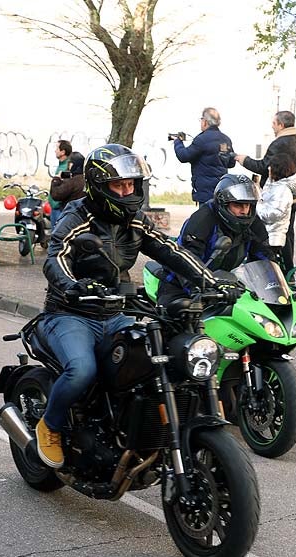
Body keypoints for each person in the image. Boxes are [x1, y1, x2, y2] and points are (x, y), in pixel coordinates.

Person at [33, 143, 240, 468]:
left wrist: (212, 282)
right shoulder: (77, 218)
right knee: (82, 370)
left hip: (115, 313)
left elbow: (170, 250)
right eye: (120, 185)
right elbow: (55, 257)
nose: (128, 192)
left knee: (152, 363)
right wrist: (72, 287)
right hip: (70, 313)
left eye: (132, 185)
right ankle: (51, 425)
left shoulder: (134, 221)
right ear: (101, 186)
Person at [156, 173, 273, 307]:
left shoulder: (253, 223)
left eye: (248, 205)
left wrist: (274, 287)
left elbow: (265, 258)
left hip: (225, 287)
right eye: (238, 205)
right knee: (181, 317)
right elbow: (185, 261)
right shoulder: (202, 221)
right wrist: (201, 288)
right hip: (181, 284)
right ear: (223, 203)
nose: (244, 211)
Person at [235, 110, 296, 271]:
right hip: (292, 197)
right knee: (287, 233)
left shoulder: (279, 144)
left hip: (276, 198)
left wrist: (244, 160)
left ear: (281, 125)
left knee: (266, 234)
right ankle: (288, 271)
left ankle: (269, 272)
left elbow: (263, 167)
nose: (272, 127)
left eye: (274, 124)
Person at [173, 107, 236, 206]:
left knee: (205, 218)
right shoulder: (226, 139)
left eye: (201, 119)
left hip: (205, 191)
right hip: (222, 189)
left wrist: (178, 142)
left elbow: (183, 156)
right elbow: (232, 163)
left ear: (205, 121)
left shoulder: (201, 139)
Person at [257, 153, 296, 268]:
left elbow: (275, 213)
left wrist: (255, 209)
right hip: (267, 232)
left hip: (272, 235)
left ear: (277, 168)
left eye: (271, 166)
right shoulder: (274, 185)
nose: (268, 169)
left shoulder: (282, 190)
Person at [49, 152, 85, 218]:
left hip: (68, 214)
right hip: (81, 214)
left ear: (73, 164)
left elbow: (56, 194)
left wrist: (56, 179)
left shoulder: (73, 181)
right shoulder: (85, 178)